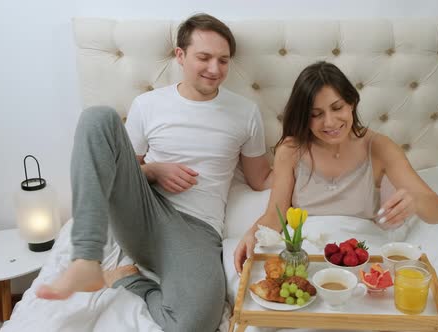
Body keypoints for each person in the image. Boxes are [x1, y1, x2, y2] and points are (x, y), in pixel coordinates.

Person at [35, 13, 272, 332]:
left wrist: (297, 159)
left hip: (197, 229)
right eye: (204, 57)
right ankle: (85, 259)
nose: (214, 69)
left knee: (196, 321)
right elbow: (121, 171)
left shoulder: (246, 113)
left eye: (223, 60)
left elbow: (260, 179)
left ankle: (129, 280)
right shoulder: (148, 104)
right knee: (98, 118)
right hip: (142, 210)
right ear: (180, 55)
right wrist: (154, 171)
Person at [234, 61, 438, 274]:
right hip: (305, 253)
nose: (330, 122)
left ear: (352, 103)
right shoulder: (290, 150)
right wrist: (252, 234)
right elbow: (275, 214)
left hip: (361, 253)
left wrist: (415, 202)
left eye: (337, 108)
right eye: (316, 114)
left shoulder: (380, 147)